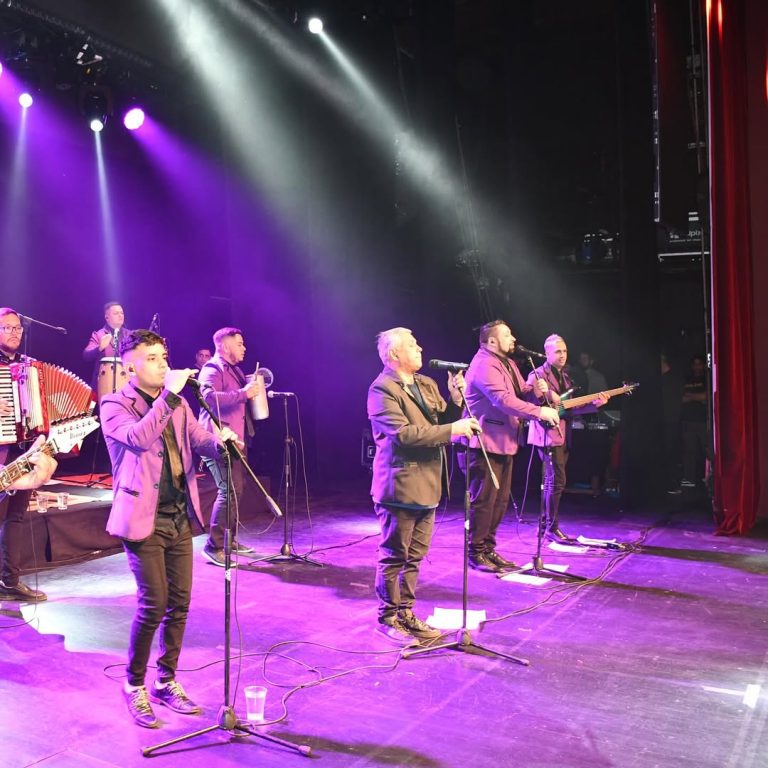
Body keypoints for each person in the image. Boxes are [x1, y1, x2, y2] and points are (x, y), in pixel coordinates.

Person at [100, 329, 238, 728]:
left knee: (180, 602)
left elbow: (197, 437)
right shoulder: (114, 404)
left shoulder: (176, 404)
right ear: (131, 367)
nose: (163, 364)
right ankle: (133, 684)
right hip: (141, 518)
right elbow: (138, 439)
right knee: (153, 604)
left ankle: (166, 680)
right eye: (153, 358)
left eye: (164, 356)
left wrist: (220, 441)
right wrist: (169, 398)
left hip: (178, 514)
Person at [368, 327, 479, 645]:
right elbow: (404, 434)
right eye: (412, 345)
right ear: (394, 354)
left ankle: (406, 613)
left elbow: (442, 420)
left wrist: (456, 399)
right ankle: (388, 618)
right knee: (395, 555)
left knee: (415, 557)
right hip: (400, 486)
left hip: (428, 484)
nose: (420, 348)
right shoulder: (381, 389)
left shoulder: (426, 383)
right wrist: (453, 428)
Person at [461, 320, 559, 573]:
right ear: (492, 341)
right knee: (484, 501)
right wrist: (539, 411)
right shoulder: (484, 364)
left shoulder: (508, 362)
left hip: (504, 442)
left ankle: (488, 548)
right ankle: (475, 551)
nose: (513, 338)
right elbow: (503, 400)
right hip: (484, 443)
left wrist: (535, 389)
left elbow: (520, 391)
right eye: (507, 335)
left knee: (500, 501)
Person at [526, 334, 609, 541]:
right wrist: (547, 395)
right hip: (546, 434)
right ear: (547, 353)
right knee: (556, 480)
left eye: (564, 351)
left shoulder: (565, 376)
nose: (562, 355)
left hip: (563, 434)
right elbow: (530, 402)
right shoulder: (538, 374)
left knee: (554, 481)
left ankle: (546, 526)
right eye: (558, 352)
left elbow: (569, 409)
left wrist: (594, 405)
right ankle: (551, 528)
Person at [0, 308, 54, 602]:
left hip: (22, 451)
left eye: (17, 328)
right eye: (7, 328)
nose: (14, 333)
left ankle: (9, 581)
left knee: (16, 516)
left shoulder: (30, 365)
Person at [197, 327, 261, 566]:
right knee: (229, 491)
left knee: (236, 490)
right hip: (218, 440)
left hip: (235, 439)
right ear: (225, 346)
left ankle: (227, 540)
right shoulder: (212, 368)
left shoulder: (235, 370)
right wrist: (244, 393)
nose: (244, 348)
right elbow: (208, 398)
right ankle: (213, 546)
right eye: (239, 343)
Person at [82, 301, 131, 394]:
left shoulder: (130, 335)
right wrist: (99, 348)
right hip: (103, 384)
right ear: (107, 317)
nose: (120, 316)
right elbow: (86, 355)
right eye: (116, 313)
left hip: (125, 384)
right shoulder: (99, 335)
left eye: (122, 313)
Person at [680, 354, 710, 489]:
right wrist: (697, 397)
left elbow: (705, 397)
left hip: (703, 420)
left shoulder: (707, 379)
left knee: (707, 449)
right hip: (688, 420)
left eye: (699, 364)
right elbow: (681, 398)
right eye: (695, 364)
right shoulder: (686, 379)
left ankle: (710, 477)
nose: (697, 366)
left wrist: (691, 396)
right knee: (689, 451)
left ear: (703, 365)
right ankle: (689, 478)